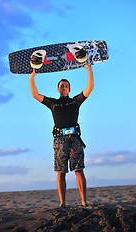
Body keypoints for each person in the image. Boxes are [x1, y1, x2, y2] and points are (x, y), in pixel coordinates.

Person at [29, 62, 94, 207]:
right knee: (60, 172)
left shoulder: (75, 101)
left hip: (75, 140)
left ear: (69, 88)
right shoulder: (52, 103)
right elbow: (35, 95)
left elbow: (89, 88)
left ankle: (84, 202)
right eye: (61, 86)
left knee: (79, 170)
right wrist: (32, 77)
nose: (63, 87)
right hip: (59, 140)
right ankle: (62, 203)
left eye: (66, 85)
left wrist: (89, 69)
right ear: (58, 89)